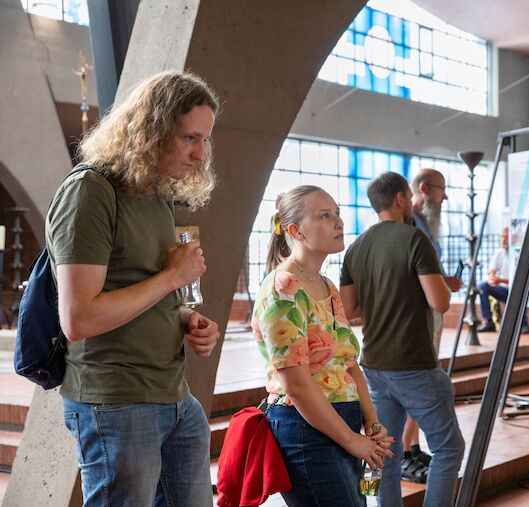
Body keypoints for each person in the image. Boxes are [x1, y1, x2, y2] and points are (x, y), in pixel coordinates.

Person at [48, 71, 222, 506]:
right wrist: (172, 278)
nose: (201, 154)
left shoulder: (155, 192)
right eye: (190, 138)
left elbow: (142, 290)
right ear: (153, 128)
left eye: (205, 140)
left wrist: (186, 318)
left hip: (174, 396)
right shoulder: (91, 191)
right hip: (116, 402)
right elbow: (79, 318)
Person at [252, 185, 394, 506]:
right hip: (306, 428)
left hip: (341, 421)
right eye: (325, 216)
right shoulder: (283, 287)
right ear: (295, 231)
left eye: (338, 213)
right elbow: (298, 386)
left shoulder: (326, 285)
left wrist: (371, 423)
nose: (339, 222)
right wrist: (351, 441)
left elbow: (349, 363)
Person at [340, 172, 466, 507]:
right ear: (400, 199)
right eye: (408, 198)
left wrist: (389, 303)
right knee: (449, 448)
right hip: (413, 364)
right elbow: (440, 302)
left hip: (375, 367)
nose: (410, 203)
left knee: (385, 453)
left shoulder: (356, 248)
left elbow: (350, 309)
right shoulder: (414, 240)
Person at [403, 168, 463, 481]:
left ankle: (411, 446)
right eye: (441, 190)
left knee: (424, 379)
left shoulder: (423, 223)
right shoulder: (408, 223)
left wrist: (442, 281)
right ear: (424, 188)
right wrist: (440, 283)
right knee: (416, 383)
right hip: (415, 315)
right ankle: (402, 451)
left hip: (429, 313)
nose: (445, 196)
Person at [476, 227, 529, 334]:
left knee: (519, 289)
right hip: (504, 290)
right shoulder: (499, 253)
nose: (503, 240)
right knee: (482, 286)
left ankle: (524, 324)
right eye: (502, 237)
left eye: (506, 237)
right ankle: (488, 321)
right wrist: (492, 278)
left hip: (517, 289)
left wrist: (500, 280)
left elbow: (520, 279)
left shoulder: (518, 253)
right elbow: (491, 271)